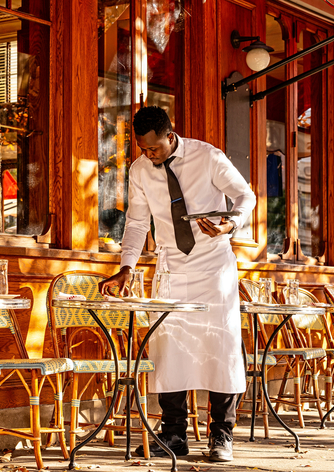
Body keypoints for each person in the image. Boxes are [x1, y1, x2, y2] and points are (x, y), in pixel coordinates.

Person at [99, 106, 256, 462]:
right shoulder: (140, 171)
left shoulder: (207, 156)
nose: (149, 155)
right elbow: (138, 224)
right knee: (169, 352)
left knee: (222, 348)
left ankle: (221, 435)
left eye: (154, 148)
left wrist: (230, 224)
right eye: (143, 148)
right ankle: (173, 434)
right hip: (171, 267)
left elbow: (246, 197)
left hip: (214, 265)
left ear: (170, 136)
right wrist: (126, 268)